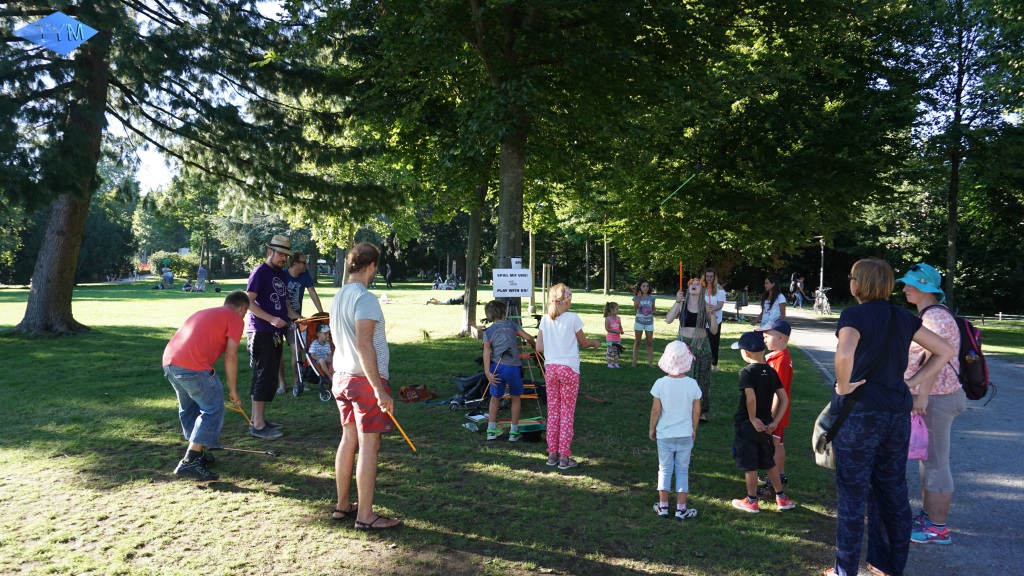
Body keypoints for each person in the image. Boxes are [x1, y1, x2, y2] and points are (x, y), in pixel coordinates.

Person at [824, 258, 954, 576]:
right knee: (892, 490)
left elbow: (844, 351)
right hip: (895, 416)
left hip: (860, 415)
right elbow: (944, 351)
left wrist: (842, 385)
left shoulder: (854, 314)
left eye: (852, 276)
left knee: (854, 494)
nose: (850, 281)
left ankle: (846, 570)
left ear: (859, 283)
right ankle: (889, 565)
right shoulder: (902, 316)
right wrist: (909, 384)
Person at [329, 242, 401, 530]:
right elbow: (364, 345)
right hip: (363, 381)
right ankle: (366, 516)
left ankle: (343, 504)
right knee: (370, 445)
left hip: (342, 378)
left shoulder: (338, 296)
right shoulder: (365, 297)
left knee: (349, 440)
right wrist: (379, 390)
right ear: (371, 266)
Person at [897, 263, 965, 547]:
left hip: (936, 397)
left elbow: (933, 359)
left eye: (909, 284)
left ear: (924, 287)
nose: (904, 289)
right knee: (928, 461)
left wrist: (921, 396)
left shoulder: (935, 317)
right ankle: (928, 518)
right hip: (934, 396)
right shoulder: (930, 314)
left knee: (936, 463)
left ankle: (938, 528)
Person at [162, 291, 250, 481]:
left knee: (190, 407)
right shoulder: (235, 318)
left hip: (170, 363)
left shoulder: (207, 312)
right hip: (193, 366)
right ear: (242, 308)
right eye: (245, 313)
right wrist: (233, 389)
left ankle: (197, 452)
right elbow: (231, 356)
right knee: (213, 409)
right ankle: (190, 460)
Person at [728, 332, 795, 513]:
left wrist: (752, 418)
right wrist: (774, 422)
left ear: (746, 353)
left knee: (749, 464)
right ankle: (781, 497)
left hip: (748, 425)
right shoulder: (771, 371)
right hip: (766, 425)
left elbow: (750, 398)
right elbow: (784, 399)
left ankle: (751, 500)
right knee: (768, 462)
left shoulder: (746, 372)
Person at [537, 283, 601, 470]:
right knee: (566, 413)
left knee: (554, 413)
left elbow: (539, 348)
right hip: (569, 369)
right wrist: (595, 343)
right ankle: (564, 456)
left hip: (551, 369)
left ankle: (552, 455)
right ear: (566, 301)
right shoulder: (573, 318)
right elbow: (584, 342)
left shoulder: (545, 319)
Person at [245, 234, 299, 439]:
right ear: (270, 252)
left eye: (286, 255)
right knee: (264, 376)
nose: (284, 259)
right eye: (281, 255)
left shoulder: (281, 275)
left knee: (267, 376)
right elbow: (248, 302)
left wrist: (299, 319)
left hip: (274, 332)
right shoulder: (260, 272)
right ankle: (258, 425)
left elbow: (284, 305)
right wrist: (271, 319)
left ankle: (257, 419)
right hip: (260, 331)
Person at [649, 340, 702, 521]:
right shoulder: (693, 384)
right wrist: (693, 428)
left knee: (664, 469)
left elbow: (656, 410)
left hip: (665, 434)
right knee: (682, 470)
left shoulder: (660, 384)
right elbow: (696, 411)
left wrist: (652, 428)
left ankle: (663, 506)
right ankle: (681, 509)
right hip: (685, 434)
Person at [665, 278, 719, 422]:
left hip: (701, 345)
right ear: (687, 288)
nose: (694, 286)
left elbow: (713, 331)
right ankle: (681, 409)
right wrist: (677, 302)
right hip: (683, 344)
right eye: (691, 284)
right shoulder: (681, 303)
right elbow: (668, 320)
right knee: (681, 377)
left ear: (702, 290)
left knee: (702, 379)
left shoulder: (706, 306)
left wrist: (712, 314)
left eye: (697, 284)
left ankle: (701, 411)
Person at [483, 300, 536, 441]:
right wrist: (534, 346)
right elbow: (528, 337)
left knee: (495, 398)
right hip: (513, 368)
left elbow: (486, 352)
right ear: (503, 312)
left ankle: (491, 430)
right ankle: (513, 432)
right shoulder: (512, 325)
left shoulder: (487, 331)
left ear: (489, 314)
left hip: (496, 368)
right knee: (516, 397)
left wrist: (488, 372)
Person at [755, 319, 793, 497]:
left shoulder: (781, 362)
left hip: (776, 413)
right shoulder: (776, 357)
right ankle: (780, 475)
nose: (763, 340)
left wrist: (771, 417)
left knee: (775, 444)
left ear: (780, 337)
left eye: (766, 336)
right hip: (775, 413)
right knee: (777, 443)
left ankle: (774, 483)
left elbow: (779, 392)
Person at [280, 251, 324, 394]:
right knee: (277, 353)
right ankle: (282, 384)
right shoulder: (282, 275)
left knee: (297, 351)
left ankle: (297, 382)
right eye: (304, 262)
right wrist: (295, 317)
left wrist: (321, 314)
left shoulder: (305, 276)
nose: (306, 265)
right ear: (295, 264)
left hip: (295, 320)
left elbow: (312, 293)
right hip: (278, 319)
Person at [704, 268, 727, 372]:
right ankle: (703, 361)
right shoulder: (701, 287)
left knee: (713, 341)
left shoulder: (719, 289)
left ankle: (714, 364)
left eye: (711, 276)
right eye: (707, 276)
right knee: (703, 340)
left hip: (715, 319)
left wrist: (713, 309)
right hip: (703, 318)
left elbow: (720, 304)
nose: (709, 278)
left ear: (714, 277)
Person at [632, 279, 656, 367]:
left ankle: (650, 363)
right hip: (639, 322)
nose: (645, 288)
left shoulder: (652, 298)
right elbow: (635, 308)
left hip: (649, 322)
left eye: (647, 286)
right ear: (640, 287)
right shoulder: (636, 297)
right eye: (643, 286)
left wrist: (654, 311)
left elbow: (653, 308)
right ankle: (634, 362)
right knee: (637, 342)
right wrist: (638, 298)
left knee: (649, 343)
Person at [604, 302, 624, 369]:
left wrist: (621, 330)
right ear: (612, 309)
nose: (618, 310)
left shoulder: (618, 318)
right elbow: (607, 328)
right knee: (609, 351)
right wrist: (615, 331)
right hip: (610, 339)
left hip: (617, 338)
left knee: (616, 351)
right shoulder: (608, 319)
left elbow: (620, 326)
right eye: (617, 309)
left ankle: (616, 363)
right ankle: (609, 364)